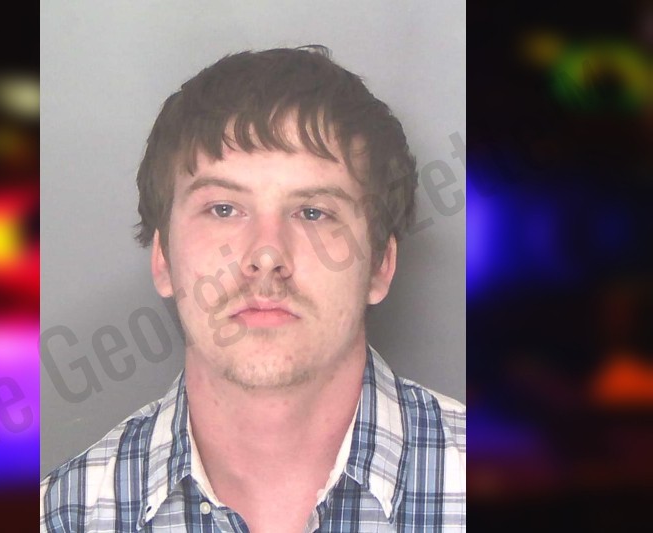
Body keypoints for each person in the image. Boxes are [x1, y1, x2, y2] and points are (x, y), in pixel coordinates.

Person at [40, 45, 465, 532]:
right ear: (163, 259)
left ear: (380, 266)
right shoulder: (63, 516)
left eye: (314, 212)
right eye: (223, 209)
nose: (266, 254)